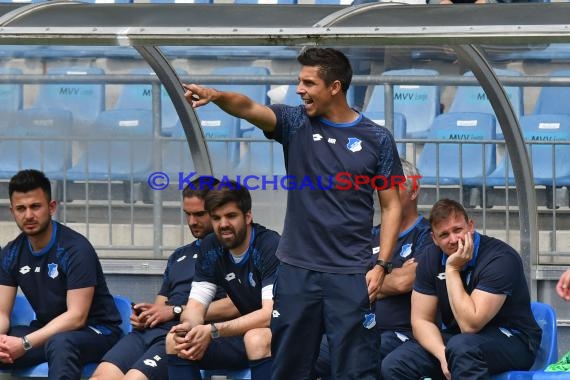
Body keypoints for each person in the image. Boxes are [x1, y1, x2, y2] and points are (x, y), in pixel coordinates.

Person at [183, 46, 402, 380]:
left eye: (308, 83)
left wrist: (383, 265)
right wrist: (217, 96)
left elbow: (391, 205)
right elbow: (249, 108)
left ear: (335, 87)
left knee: (356, 370)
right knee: (288, 368)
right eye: (299, 82)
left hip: (350, 274)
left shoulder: (377, 139)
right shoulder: (295, 123)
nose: (300, 89)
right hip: (297, 272)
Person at [382, 198, 543, 380]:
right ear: (434, 239)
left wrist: (452, 269)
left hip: (514, 339)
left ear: (471, 227)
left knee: (463, 348)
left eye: (458, 230)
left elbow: (471, 324)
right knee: (395, 364)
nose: (453, 239)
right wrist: (442, 355)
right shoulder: (430, 258)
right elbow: (421, 320)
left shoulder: (500, 258)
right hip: (457, 341)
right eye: (444, 235)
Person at [90, 177, 233, 380]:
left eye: (200, 214)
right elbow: (161, 304)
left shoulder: (230, 253)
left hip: (185, 334)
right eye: (188, 214)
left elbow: (237, 305)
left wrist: (174, 312)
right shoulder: (179, 255)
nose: (192, 222)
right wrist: (146, 316)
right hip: (149, 334)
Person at [314, 158, 431, 379]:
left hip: (401, 333)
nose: (385, 195)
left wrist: (370, 277)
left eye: (394, 187)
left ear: (414, 191)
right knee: (306, 353)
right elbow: (341, 280)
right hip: (357, 328)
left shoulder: (427, 236)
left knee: (355, 359)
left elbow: (403, 282)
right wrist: (387, 276)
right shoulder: (369, 235)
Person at [0, 169, 123, 379]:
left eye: (35, 206)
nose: (28, 215)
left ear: (51, 207)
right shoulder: (12, 252)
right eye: (21, 208)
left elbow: (77, 317)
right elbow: (2, 313)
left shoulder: (75, 249)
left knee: (61, 343)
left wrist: (25, 343)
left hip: (95, 331)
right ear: (13, 212)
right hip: (48, 330)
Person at [166, 181, 280, 380]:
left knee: (256, 338)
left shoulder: (269, 245)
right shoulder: (211, 247)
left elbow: (268, 315)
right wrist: (189, 328)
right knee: (176, 341)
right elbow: (195, 307)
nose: (223, 224)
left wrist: (213, 331)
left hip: (283, 337)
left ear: (248, 216)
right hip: (241, 337)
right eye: (216, 218)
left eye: (231, 216)